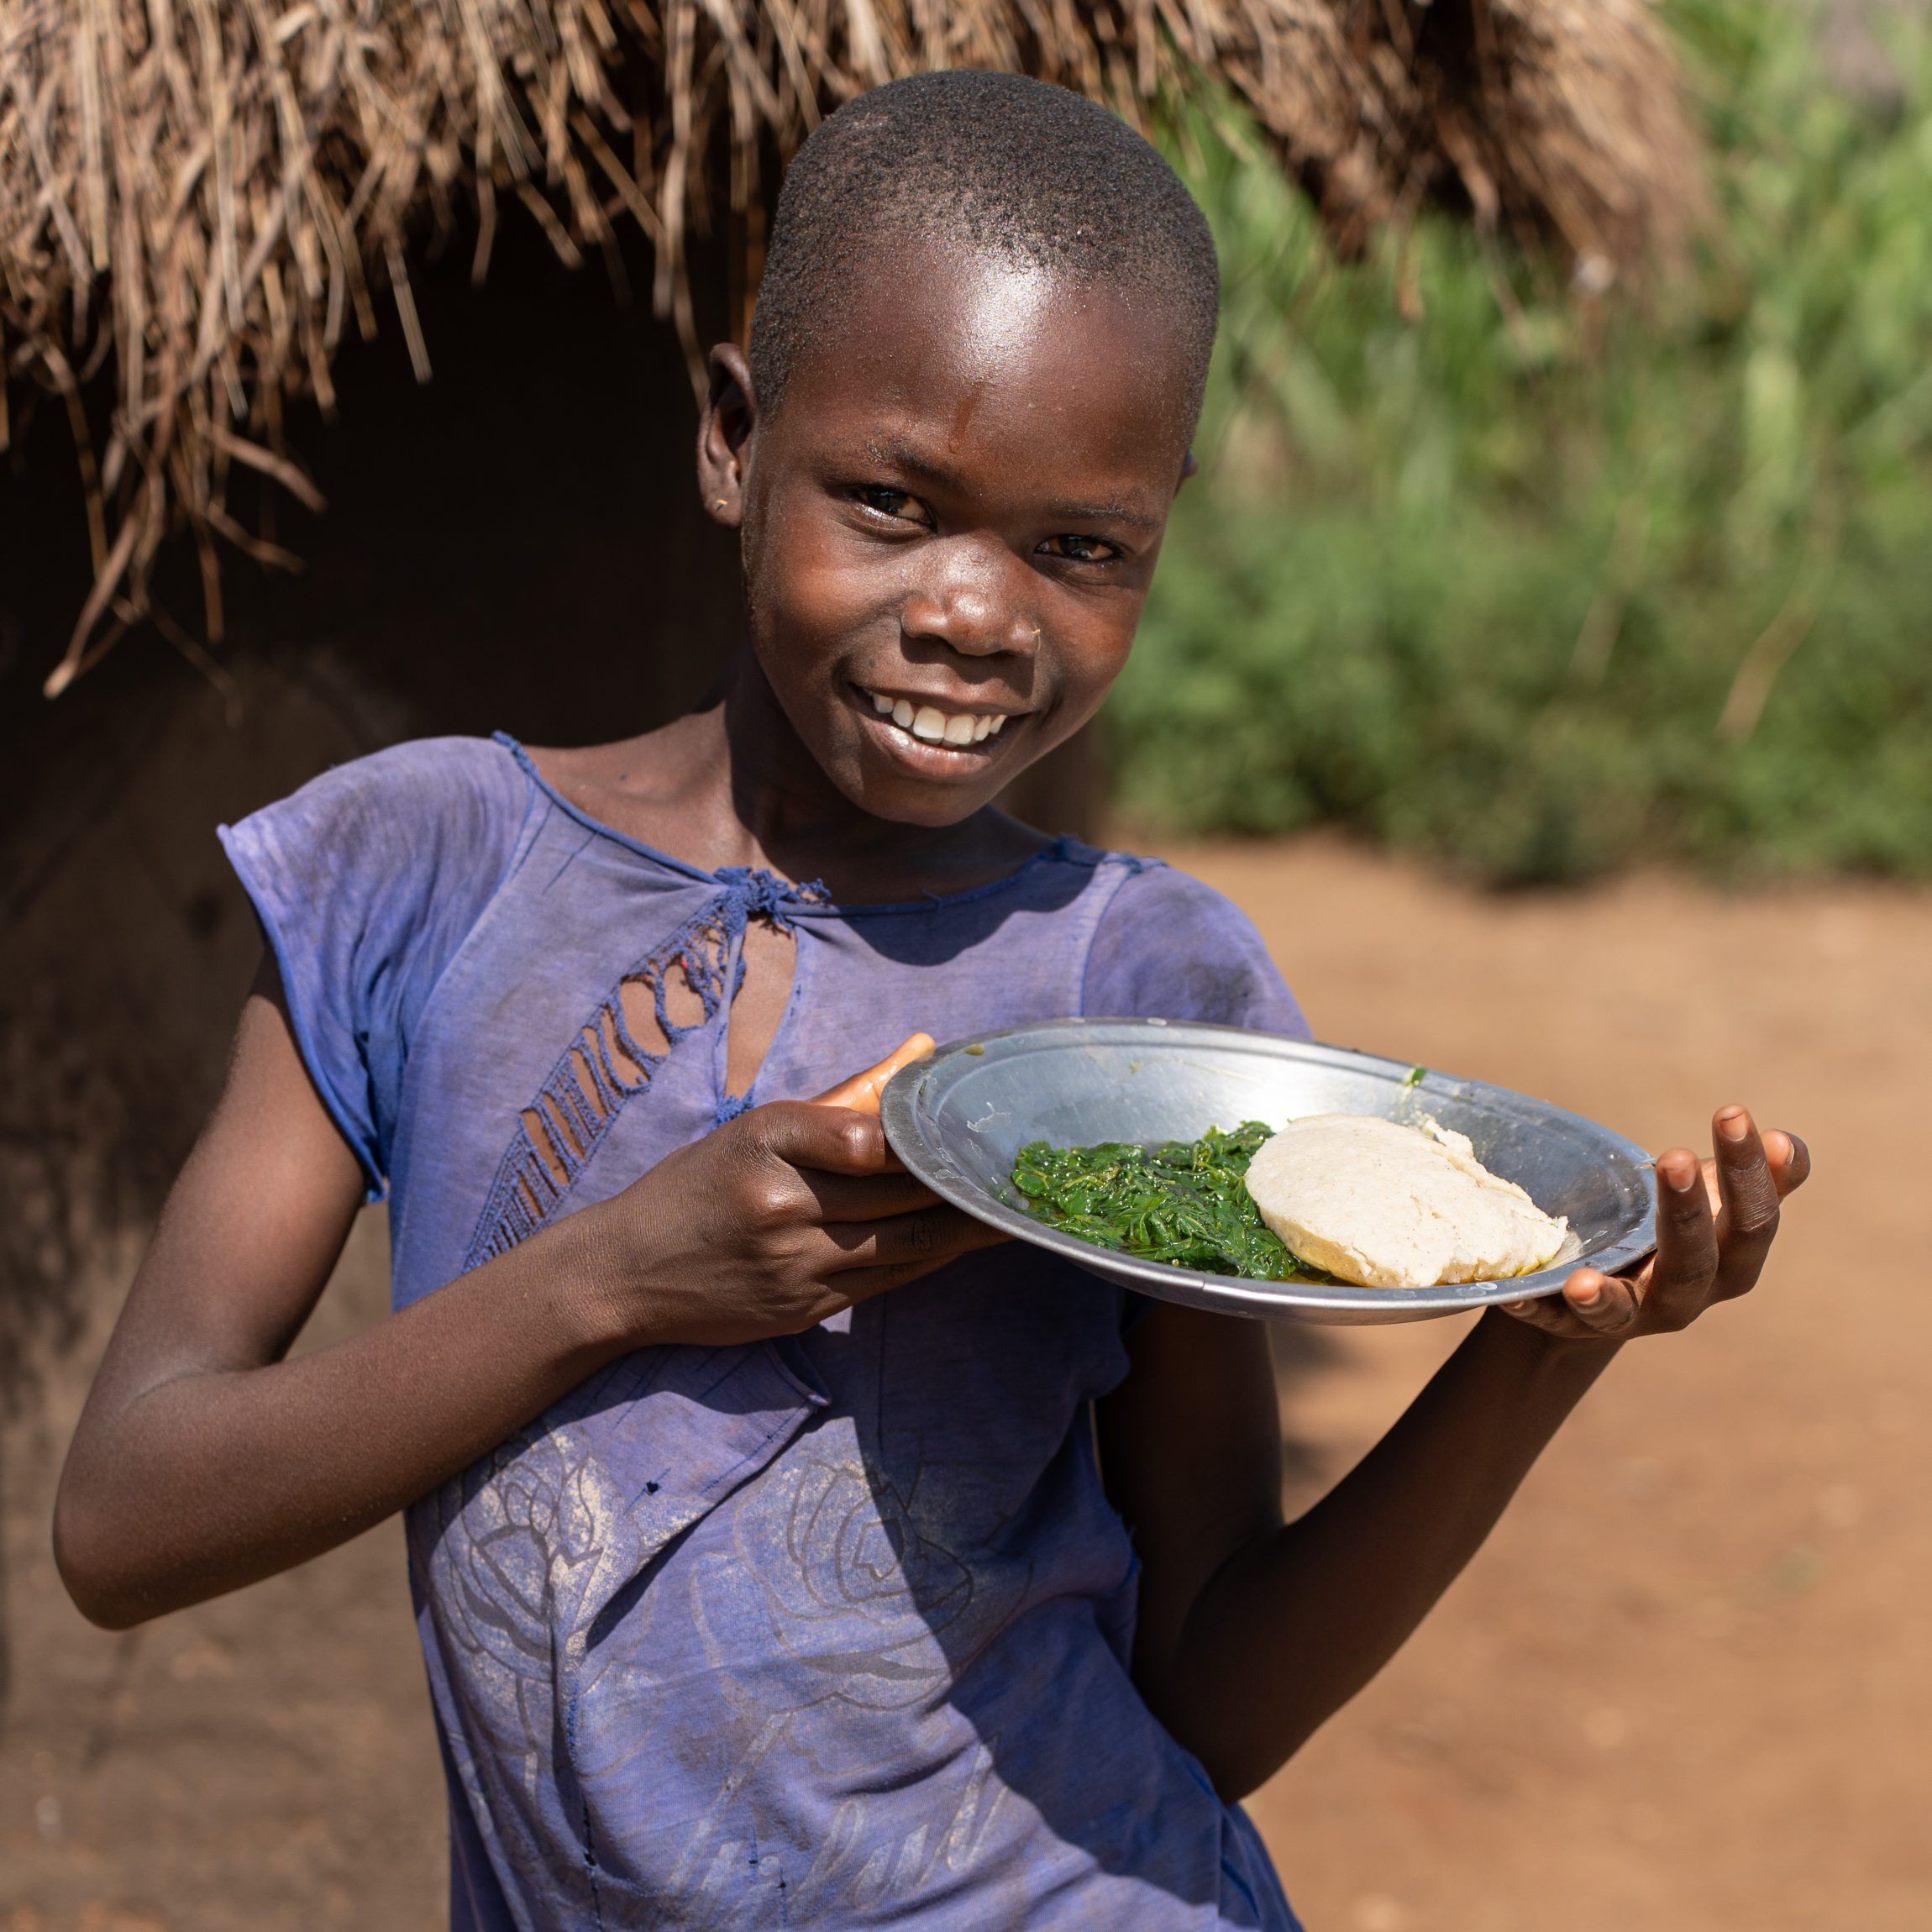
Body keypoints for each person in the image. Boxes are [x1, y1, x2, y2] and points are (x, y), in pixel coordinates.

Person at [53, 71, 1809, 1930]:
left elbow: (1211, 1687)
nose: (977, 610)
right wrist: (618, 1277)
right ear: (735, 436)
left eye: (1081, 547)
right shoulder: (415, 870)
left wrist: (1543, 1342)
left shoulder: (1143, 993)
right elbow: (127, 1514)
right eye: (894, 502)